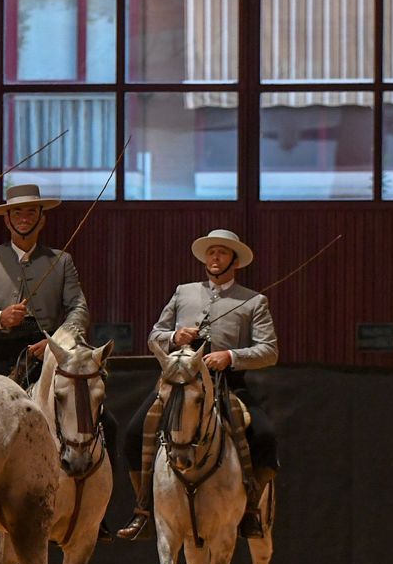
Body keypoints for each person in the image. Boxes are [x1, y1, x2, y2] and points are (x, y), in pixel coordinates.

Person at [116, 228, 278, 541]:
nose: (215, 258)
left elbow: (269, 350)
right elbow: (154, 337)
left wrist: (230, 356)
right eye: (211, 252)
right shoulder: (183, 292)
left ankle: (250, 510)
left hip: (226, 383)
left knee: (265, 436)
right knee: (134, 434)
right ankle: (143, 509)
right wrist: (174, 338)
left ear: (234, 260)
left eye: (222, 253)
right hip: (179, 381)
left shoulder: (253, 301)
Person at [0, 183, 90, 381]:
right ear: (7, 219)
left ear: (41, 219)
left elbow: (79, 309)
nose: (24, 219)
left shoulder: (62, 260)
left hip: (48, 353)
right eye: (17, 213)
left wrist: (57, 342)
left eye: (31, 212)